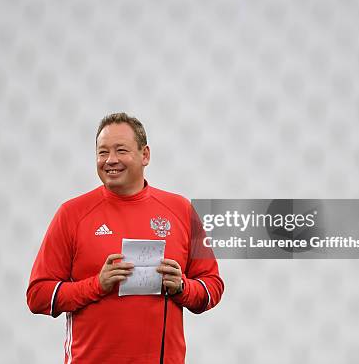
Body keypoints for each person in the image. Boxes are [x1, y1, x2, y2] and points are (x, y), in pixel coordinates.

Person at [26, 112, 224, 364]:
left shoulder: (180, 210)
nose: (110, 160)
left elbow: (212, 286)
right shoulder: (72, 214)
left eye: (121, 150)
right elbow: (38, 295)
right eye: (102, 152)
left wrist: (182, 287)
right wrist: (97, 284)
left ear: (145, 155)